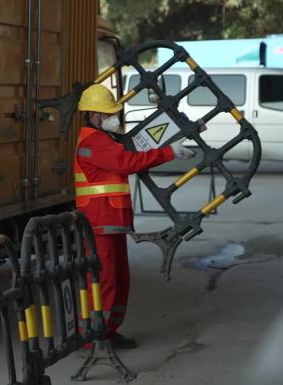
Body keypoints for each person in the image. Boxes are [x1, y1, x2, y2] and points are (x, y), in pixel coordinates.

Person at [75, 84, 194, 349]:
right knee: (104, 282)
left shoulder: (104, 140)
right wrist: (169, 152)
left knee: (119, 281)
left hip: (111, 223)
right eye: (108, 114)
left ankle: (108, 331)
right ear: (93, 116)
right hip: (99, 224)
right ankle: (92, 339)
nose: (113, 118)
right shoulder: (92, 142)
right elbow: (126, 163)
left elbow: (127, 157)